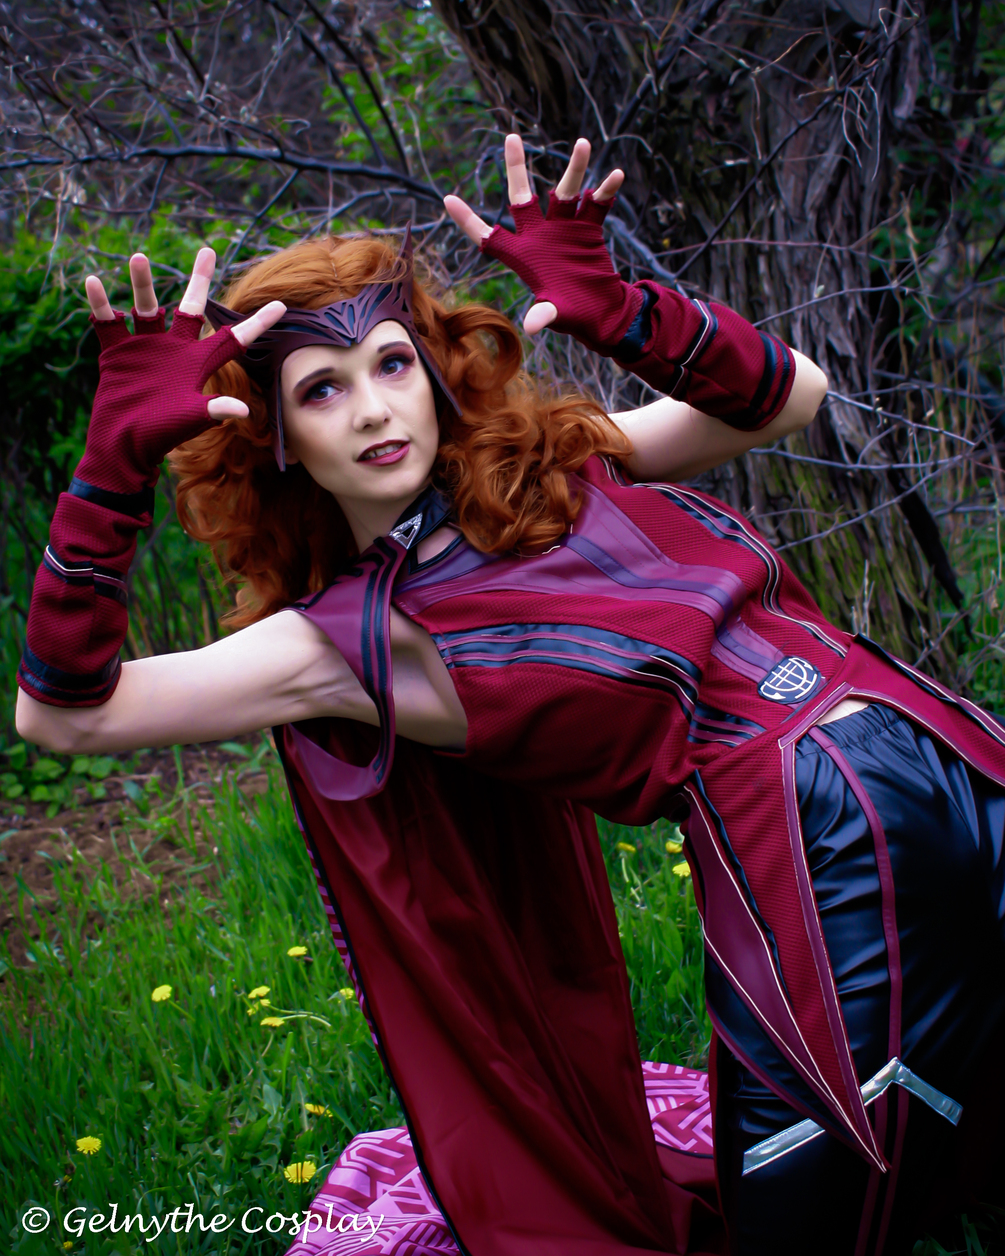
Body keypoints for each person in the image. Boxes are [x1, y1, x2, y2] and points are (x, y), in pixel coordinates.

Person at [14, 134, 1005, 1256]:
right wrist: (112, 469)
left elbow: (788, 397)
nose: (373, 409)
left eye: (393, 364)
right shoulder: (344, 638)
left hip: (947, 742)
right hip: (821, 842)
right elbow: (62, 713)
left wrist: (623, 310)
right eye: (323, 389)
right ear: (276, 438)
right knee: (810, 1218)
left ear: (437, 371)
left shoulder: (557, 471)